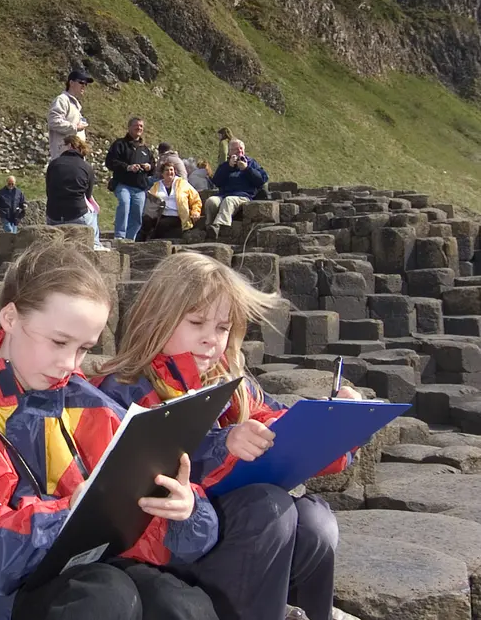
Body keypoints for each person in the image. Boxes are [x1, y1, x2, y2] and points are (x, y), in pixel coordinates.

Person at [0, 242, 219, 620]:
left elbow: (175, 537)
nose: (68, 364)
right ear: (10, 317)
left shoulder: (87, 402)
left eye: (84, 349)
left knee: (182, 605)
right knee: (106, 597)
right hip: (8, 593)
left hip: (99, 568)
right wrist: (63, 518)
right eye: (59, 342)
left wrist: (186, 511)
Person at [96, 252, 359, 620]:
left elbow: (282, 422)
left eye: (222, 328)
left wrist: (337, 428)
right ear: (157, 317)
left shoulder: (231, 384)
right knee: (268, 506)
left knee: (317, 523)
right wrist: (225, 445)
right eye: (197, 322)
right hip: (164, 549)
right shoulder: (119, 389)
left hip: (233, 541)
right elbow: (139, 472)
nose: (211, 339)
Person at [45, 135, 103, 250]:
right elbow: (88, 195)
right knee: (93, 212)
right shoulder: (87, 167)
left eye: (61, 146)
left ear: (70, 146)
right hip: (77, 214)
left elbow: (48, 191)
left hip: (53, 215)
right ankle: (95, 244)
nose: (59, 148)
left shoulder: (53, 164)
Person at [205, 139, 269, 239]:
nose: (239, 151)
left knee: (229, 200)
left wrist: (247, 169)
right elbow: (216, 182)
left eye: (241, 148)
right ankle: (209, 227)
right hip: (224, 194)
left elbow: (261, 180)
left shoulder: (251, 163)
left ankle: (218, 226)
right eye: (235, 149)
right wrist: (229, 167)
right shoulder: (225, 165)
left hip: (244, 196)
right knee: (211, 201)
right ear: (229, 152)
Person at [105, 117, 155, 241]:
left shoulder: (145, 149)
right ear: (129, 127)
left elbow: (153, 167)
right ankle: (119, 237)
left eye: (141, 126)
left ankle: (130, 239)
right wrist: (127, 167)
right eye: (136, 126)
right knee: (124, 204)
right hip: (123, 184)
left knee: (137, 214)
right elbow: (110, 162)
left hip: (140, 187)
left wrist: (149, 167)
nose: (139, 128)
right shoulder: (119, 144)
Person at [143, 162, 202, 240]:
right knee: (146, 221)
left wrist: (196, 211)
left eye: (171, 170)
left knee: (162, 225)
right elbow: (150, 200)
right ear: (162, 173)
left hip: (178, 216)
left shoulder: (183, 183)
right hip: (160, 215)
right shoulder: (156, 185)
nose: (169, 172)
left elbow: (195, 199)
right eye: (166, 170)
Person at [47, 70, 93, 161]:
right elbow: (53, 121)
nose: (84, 86)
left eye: (86, 84)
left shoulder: (75, 104)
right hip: (63, 155)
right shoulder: (62, 100)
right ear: (71, 83)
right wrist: (75, 127)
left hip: (74, 155)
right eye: (81, 82)